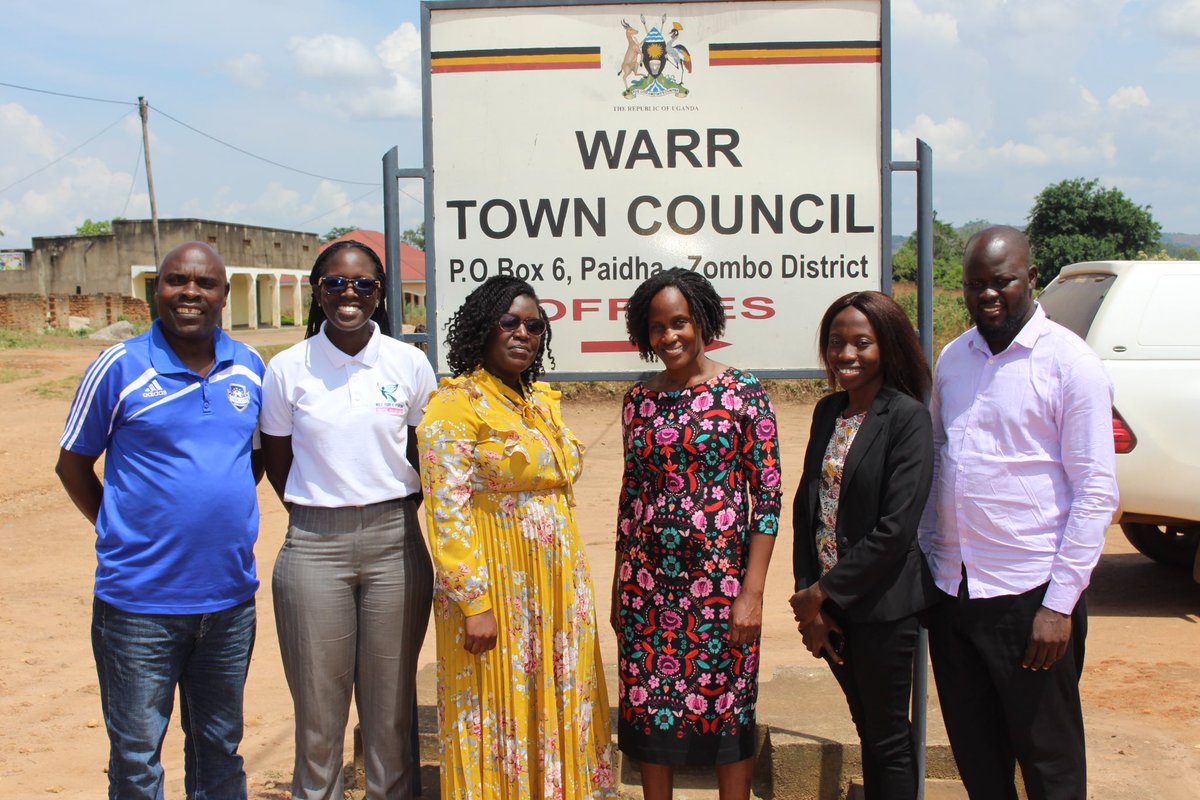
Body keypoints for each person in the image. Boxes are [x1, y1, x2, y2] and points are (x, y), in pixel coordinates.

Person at [55, 241, 264, 800]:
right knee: (137, 757)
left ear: (224, 295)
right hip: (138, 605)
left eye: (205, 283)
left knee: (219, 748)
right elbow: (72, 463)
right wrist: (119, 526)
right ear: (156, 290)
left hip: (228, 602)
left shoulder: (250, 366)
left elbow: (255, 457)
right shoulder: (118, 366)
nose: (190, 292)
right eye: (176, 281)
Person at [919, 226, 1118, 800]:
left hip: (1030, 597)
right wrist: (934, 565)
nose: (987, 295)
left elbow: (1095, 491)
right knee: (979, 762)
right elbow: (939, 458)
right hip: (956, 594)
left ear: (1031, 278)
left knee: (1048, 763)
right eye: (974, 285)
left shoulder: (1070, 363)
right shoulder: (955, 358)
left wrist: (1059, 606)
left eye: (1001, 282)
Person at [416, 275, 615, 799]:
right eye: (509, 321)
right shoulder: (456, 404)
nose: (522, 332)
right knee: (496, 707)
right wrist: (473, 601)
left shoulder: (539, 402)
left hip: (555, 591)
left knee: (558, 699)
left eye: (533, 325)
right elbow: (447, 509)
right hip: (496, 594)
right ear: (484, 328)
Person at [260, 240, 436, 800]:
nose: (349, 295)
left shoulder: (408, 363)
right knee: (318, 716)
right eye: (335, 283)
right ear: (318, 291)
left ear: (381, 294)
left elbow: (422, 455)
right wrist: (324, 508)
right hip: (314, 545)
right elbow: (280, 462)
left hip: (395, 543)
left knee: (390, 716)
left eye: (363, 284)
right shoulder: (288, 369)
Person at [614, 268, 781, 800]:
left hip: (720, 589)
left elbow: (768, 499)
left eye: (680, 322)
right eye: (657, 327)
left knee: (728, 716)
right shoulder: (637, 399)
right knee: (649, 718)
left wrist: (751, 594)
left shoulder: (742, 392)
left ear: (704, 319)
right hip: (647, 590)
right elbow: (630, 497)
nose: (670, 337)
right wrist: (622, 587)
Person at [787, 291, 935, 800]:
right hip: (831, 610)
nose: (846, 354)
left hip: (884, 608)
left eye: (861, 342)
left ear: (887, 346)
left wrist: (822, 593)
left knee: (889, 739)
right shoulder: (829, 411)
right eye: (836, 342)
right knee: (867, 731)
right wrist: (810, 598)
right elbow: (807, 506)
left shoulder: (908, 418)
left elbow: (896, 531)